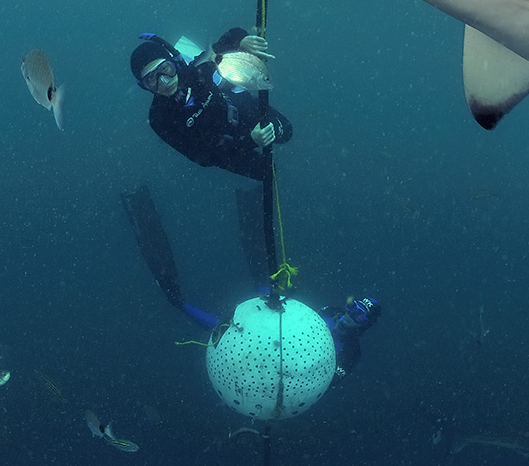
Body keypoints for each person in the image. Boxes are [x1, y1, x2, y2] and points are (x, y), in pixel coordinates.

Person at [120, 185, 380, 383]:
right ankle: (251, 203)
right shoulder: (332, 311)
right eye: (353, 307)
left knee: (224, 326)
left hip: (269, 371)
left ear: (365, 325)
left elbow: (326, 382)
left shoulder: (350, 353)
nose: (349, 314)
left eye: (358, 314)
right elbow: (295, 313)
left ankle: (177, 298)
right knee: (258, 286)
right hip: (265, 333)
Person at [130, 28, 292, 181]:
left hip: (238, 108)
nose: (164, 82)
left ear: (175, 64)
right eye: (152, 80)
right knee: (268, 172)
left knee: (286, 132)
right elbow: (204, 158)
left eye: (165, 69)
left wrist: (242, 40)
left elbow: (227, 40)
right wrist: (250, 141)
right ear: (145, 86)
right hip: (224, 150)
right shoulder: (159, 118)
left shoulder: (194, 72)